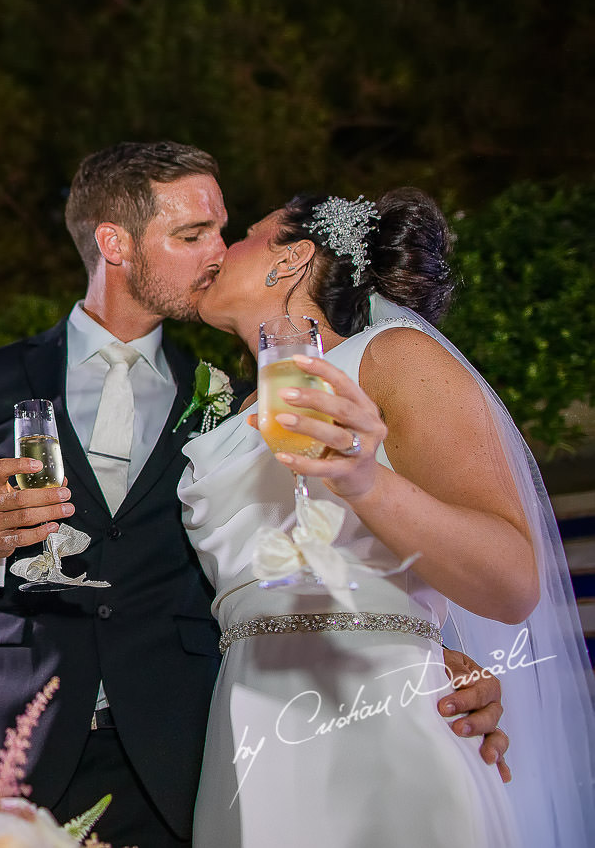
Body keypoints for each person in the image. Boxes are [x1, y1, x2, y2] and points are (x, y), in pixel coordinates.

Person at [0, 142, 509, 846]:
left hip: (183, 759)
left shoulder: (236, 398)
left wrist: (429, 650)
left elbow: (306, 543)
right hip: (16, 748)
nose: (217, 251)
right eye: (192, 236)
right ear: (114, 243)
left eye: (226, 231)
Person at [179, 188, 595, 846]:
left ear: (291, 259)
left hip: (382, 735)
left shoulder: (391, 357)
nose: (219, 251)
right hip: (250, 729)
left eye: (244, 235)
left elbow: (512, 580)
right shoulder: (232, 408)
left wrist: (363, 479)